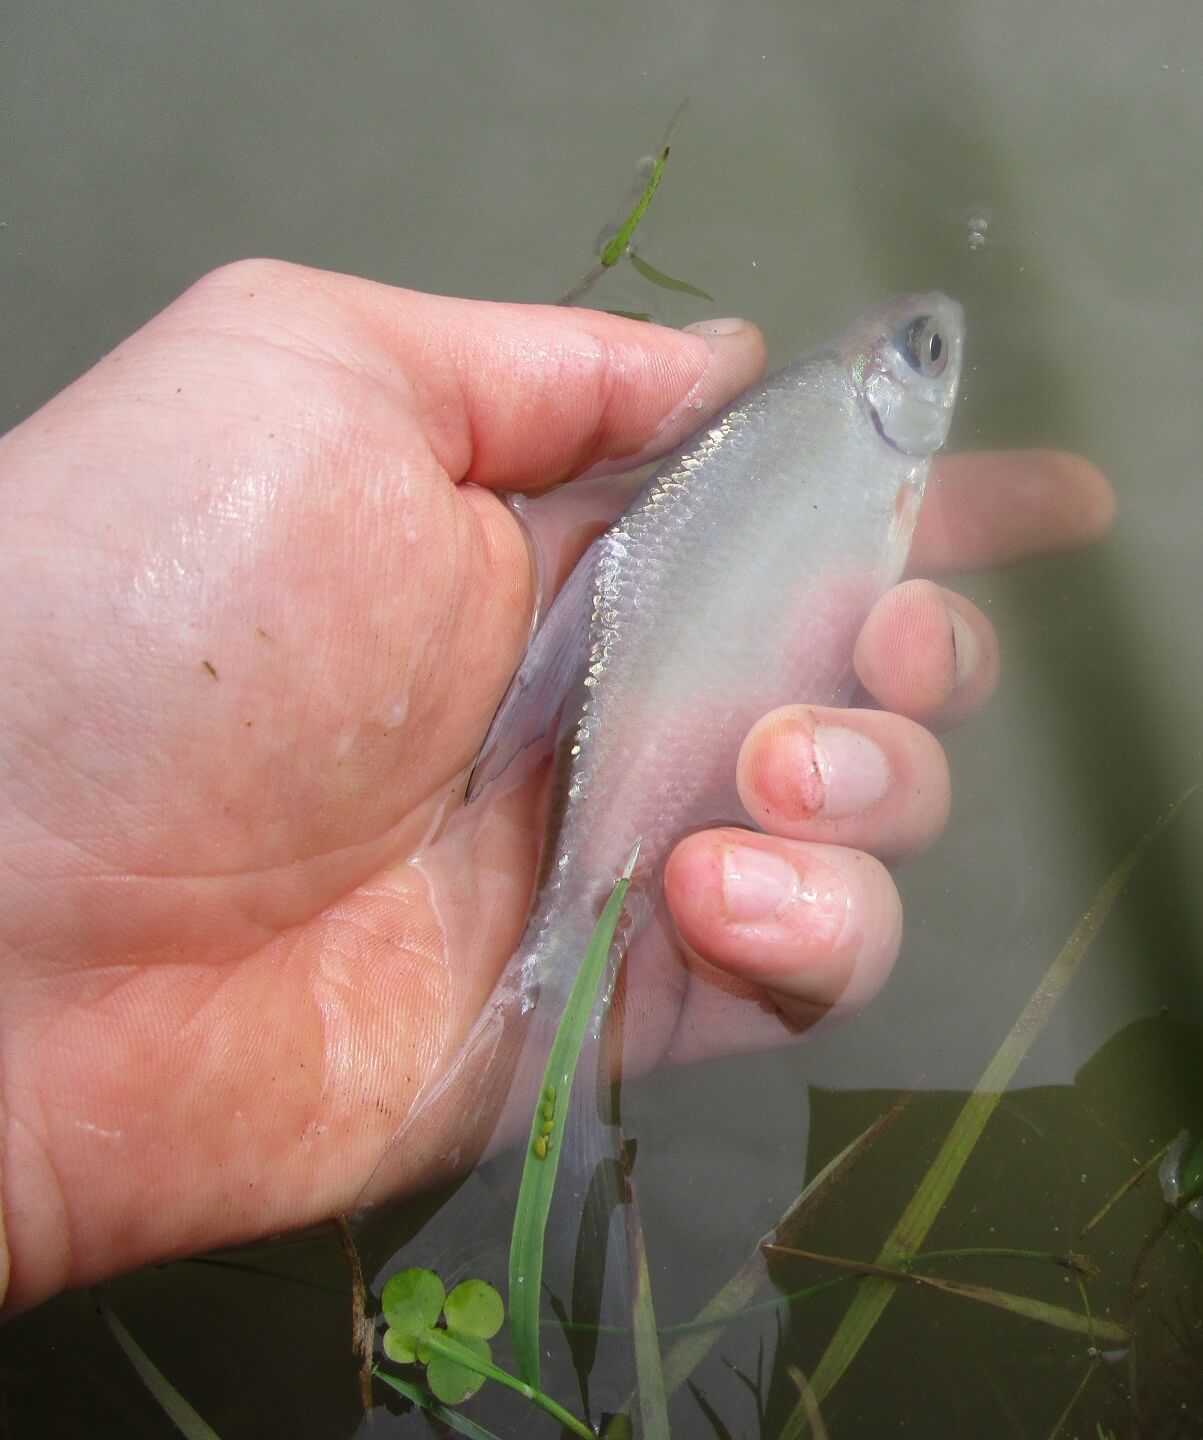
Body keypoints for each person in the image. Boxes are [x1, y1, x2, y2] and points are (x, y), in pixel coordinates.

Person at [0, 260, 1113, 1318]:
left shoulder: (827, 436)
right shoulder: (835, 433)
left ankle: (532, 1086)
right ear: (879, 384)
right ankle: (544, 1112)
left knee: (832, 748)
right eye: (923, 352)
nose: (939, 364)